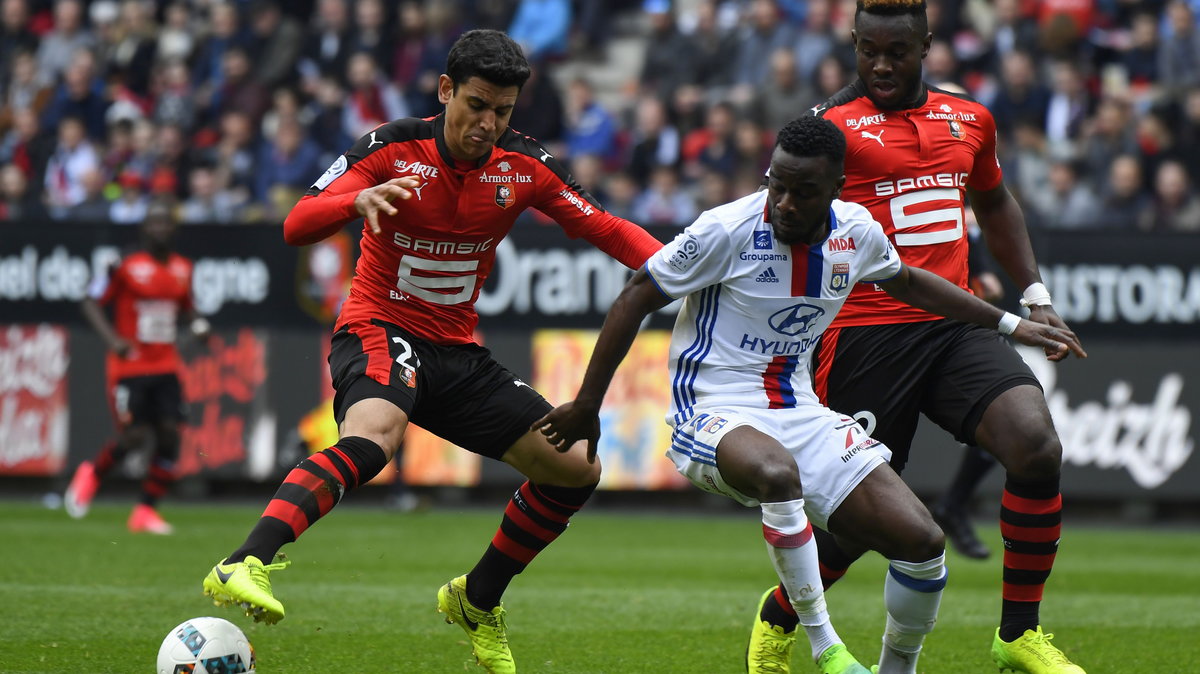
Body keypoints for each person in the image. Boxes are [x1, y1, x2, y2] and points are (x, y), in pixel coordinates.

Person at [534, 116, 1083, 674]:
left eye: (804, 192)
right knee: (777, 473)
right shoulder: (726, 229)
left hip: (798, 409)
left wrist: (1012, 325)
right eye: (778, 186)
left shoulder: (856, 232)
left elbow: (911, 282)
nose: (785, 203)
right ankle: (826, 648)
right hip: (710, 410)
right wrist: (586, 403)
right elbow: (634, 297)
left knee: (922, 545)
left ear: (836, 190)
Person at [199, 29, 662, 674]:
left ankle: (477, 599)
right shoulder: (390, 148)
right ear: (445, 91)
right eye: (476, 105)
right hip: (378, 327)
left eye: (502, 111)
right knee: (375, 438)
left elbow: (606, 227)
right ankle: (243, 562)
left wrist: (684, 267)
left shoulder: (525, 165)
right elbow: (296, 224)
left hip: (457, 353)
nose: (488, 124)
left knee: (576, 465)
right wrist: (351, 200)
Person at [744, 2, 1089, 673]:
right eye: (867, 49)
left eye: (895, 52)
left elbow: (993, 201)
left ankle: (1018, 635)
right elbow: (778, 219)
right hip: (862, 340)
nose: (880, 64)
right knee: (854, 534)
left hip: (955, 331)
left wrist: (1035, 296)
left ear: (926, 44)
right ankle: (780, 615)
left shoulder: (969, 119)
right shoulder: (827, 131)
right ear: (851, 44)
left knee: (1036, 445)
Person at [63, 201, 209, 534]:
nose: (160, 229)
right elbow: (90, 301)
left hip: (166, 363)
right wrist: (113, 339)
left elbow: (189, 308)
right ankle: (92, 474)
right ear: (145, 229)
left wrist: (200, 324)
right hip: (129, 365)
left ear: (174, 229)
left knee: (171, 434)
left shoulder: (183, 268)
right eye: (154, 223)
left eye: (165, 223)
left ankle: (144, 510)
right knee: (134, 436)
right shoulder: (124, 265)